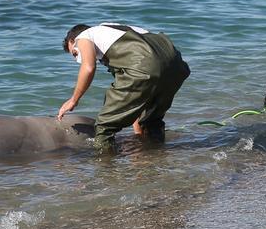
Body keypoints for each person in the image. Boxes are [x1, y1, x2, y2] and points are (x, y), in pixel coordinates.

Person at [58, 23, 190, 152]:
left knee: (105, 125)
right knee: (152, 122)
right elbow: (136, 97)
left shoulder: (84, 36)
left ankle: (105, 167)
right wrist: (138, 135)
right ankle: (154, 157)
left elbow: (88, 67)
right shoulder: (116, 31)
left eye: (75, 54)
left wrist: (73, 99)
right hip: (175, 67)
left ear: (73, 40)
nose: (77, 60)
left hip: (145, 65)